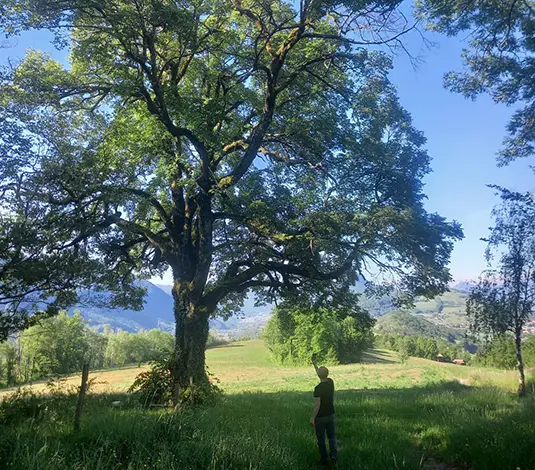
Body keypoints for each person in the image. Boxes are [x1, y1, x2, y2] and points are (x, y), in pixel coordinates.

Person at [310, 354, 338, 466]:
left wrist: (312, 418)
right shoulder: (331, 382)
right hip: (331, 414)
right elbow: (321, 375)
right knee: (331, 436)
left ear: (318, 375)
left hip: (320, 417)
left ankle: (324, 459)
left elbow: (317, 405)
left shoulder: (317, 389)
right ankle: (334, 456)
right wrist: (315, 364)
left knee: (321, 439)